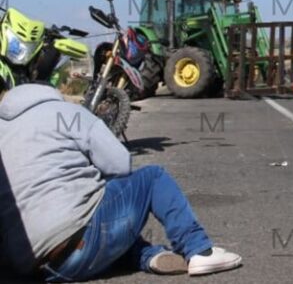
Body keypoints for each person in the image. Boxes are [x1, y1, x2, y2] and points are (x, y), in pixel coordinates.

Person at [0, 82, 242, 280]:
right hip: (81, 243)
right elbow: (121, 164)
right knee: (152, 178)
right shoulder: (68, 113)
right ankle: (199, 250)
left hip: (37, 269)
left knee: (99, 219)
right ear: (51, 93)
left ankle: (148, 256)